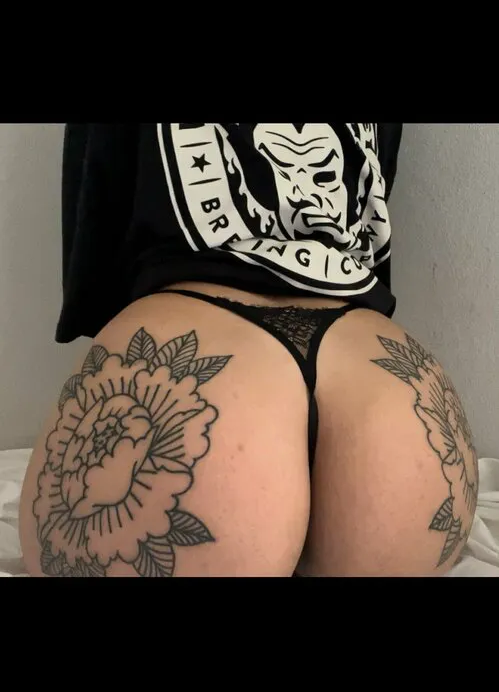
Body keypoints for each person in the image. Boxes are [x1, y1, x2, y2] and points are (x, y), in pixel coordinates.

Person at [19, 123, 479, 577]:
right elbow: (371, 207)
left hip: (187, 348)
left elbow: (98, 200)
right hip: (386, 390)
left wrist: (106, 324)